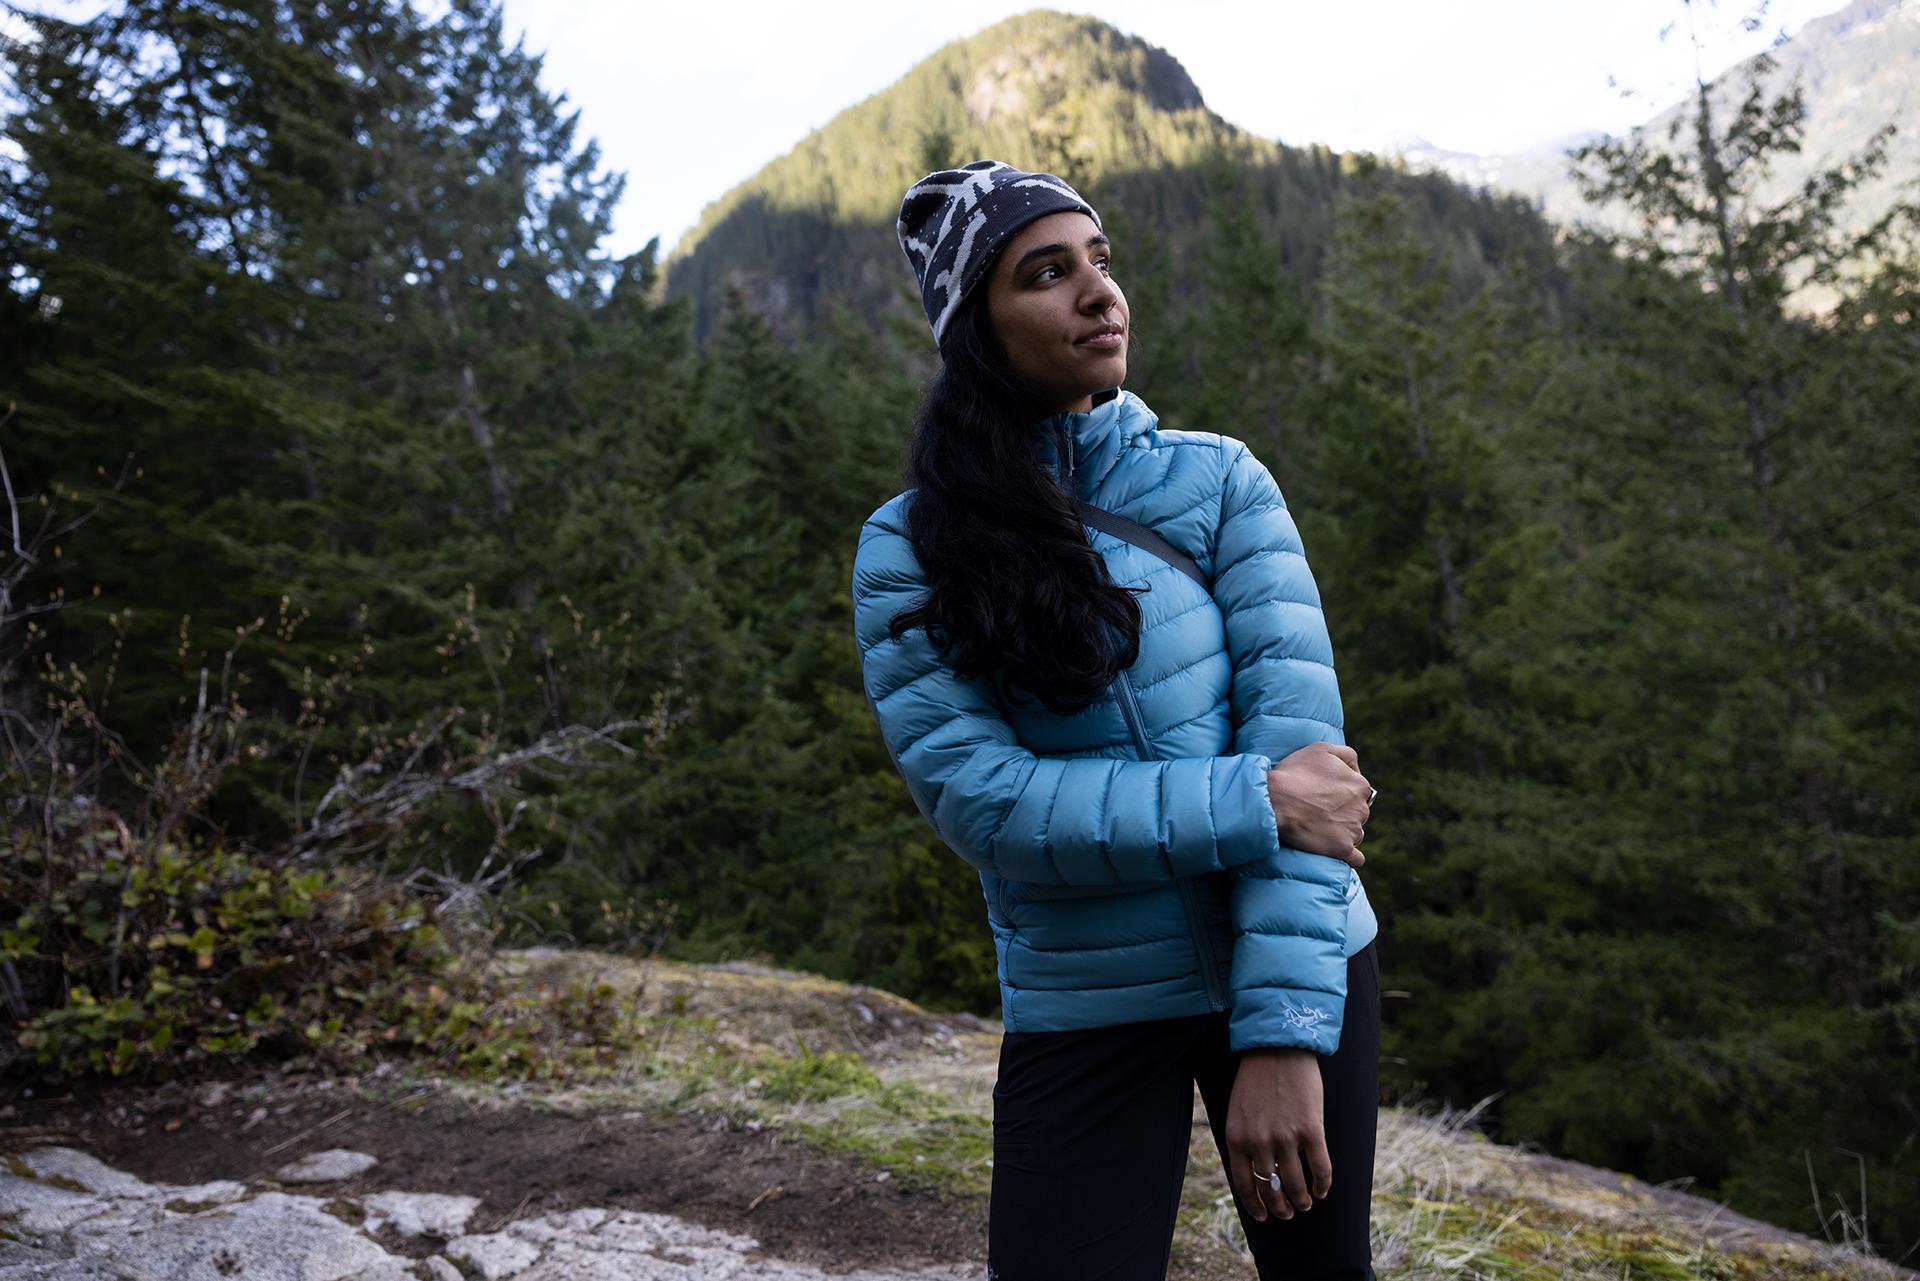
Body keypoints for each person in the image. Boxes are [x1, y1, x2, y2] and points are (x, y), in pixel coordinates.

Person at [851, 159, 1381, 1281]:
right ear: (976, 333)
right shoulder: (910, 548)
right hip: (1085, 999)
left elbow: (1312, 773)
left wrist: (1282, 1032)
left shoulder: (1223, 481)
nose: (1100, 292)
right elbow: (988, 804)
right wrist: (1254, 801)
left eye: (1101, 259)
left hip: (1287, 957)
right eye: (1048, 273)